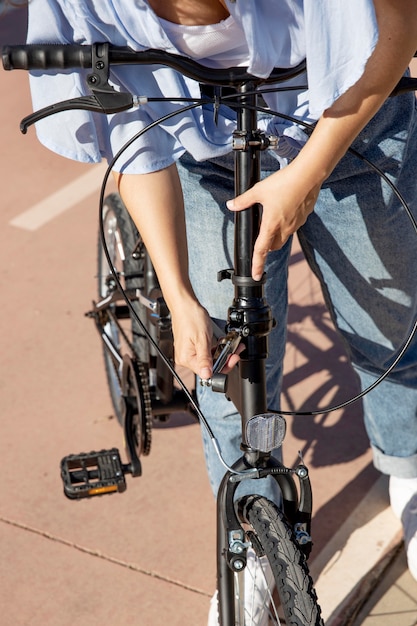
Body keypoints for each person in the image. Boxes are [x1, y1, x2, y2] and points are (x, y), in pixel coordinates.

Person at [26, 0, 417, 609]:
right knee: (220, 360)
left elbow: (396, 24)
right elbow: (133, 131)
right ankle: (248, 540)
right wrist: (178, 298)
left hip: (348, 115)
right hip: (199, 139)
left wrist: (308, 172)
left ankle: (410, 469)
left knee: (390, 322)